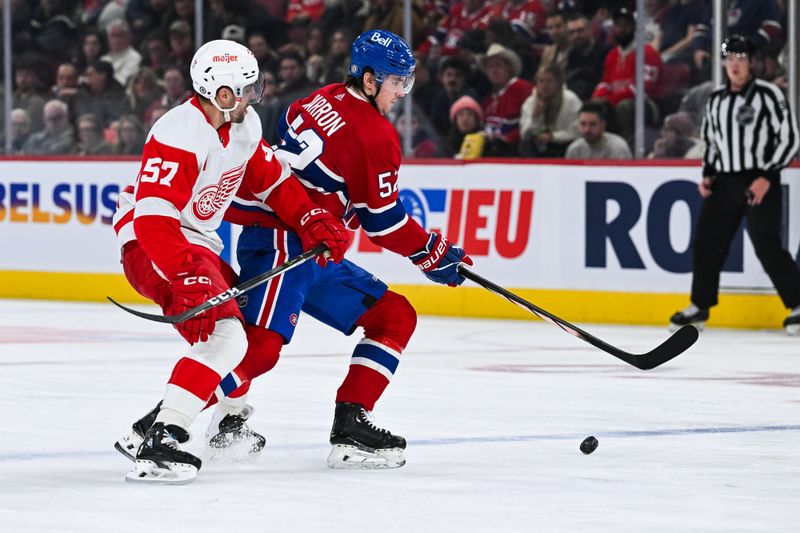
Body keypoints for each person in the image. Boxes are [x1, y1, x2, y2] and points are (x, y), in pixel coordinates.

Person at [226, 29, 472, 469]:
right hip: (286, 243)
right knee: (259, 348)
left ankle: (352, 424)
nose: (401, 92)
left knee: (393, 316)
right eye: (396, 81)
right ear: (371, 79)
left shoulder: (320, 97)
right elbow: (383, 221)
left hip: (309, 246)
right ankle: (167, 422)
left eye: (406, 82)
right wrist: (432, 252)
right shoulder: (375, 137)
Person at [112, 39, 349, 484]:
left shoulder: (243, 125)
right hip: (153, 246)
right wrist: (185, 274)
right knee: (226, 336)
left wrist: (310, 216)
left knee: (239, 332)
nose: (253, 96)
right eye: (246, 89)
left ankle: (228, 421)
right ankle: (162, 436)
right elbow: (153, 219)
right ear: (222, 93)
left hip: (192, 246)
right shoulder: (178, 132)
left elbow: (272, 179)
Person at [669, 35, 800, 335]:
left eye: (740, 59)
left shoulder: (769, 95)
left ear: (751, 63)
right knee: (706, 242)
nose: (735, 65)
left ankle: (798, 304)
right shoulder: (716, 99)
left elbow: (790, 137)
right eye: (730, 59)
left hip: (758, 178)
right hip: (725, 182)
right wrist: (708, 174)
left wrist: (767, 176)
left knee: (766, 244)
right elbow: (712, 142)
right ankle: (700, 306)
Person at [518, 65, 581, 158]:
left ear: (558, 83)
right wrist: (535, 117)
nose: (544, 86)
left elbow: (576, 133)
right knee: (524, 145)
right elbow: (525, 135)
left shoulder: (571, 100)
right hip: (539, 143)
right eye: (541, 81)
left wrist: (552, 137)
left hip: (562, 144)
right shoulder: (530, 102)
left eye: (549, 81)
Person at [565, 102, 632, 160]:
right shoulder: (575, 149)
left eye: (593, 124)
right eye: (583, 124)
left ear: (603, 125)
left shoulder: (618, 148)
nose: (587, 129)